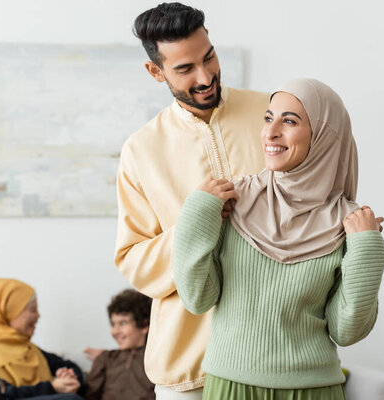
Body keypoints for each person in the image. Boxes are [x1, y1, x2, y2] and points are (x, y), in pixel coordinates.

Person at [172, 78, 384, 399]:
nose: (270, 133)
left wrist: (367, 249)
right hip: (231, 386)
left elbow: (346, 331)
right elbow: (198, 298)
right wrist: (196, 212)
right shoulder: (232, 199)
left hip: (313, 390)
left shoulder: (351, 223)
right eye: (268, 118)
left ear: (324, 136)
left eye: (289, 121)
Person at [115, 3, 268, 399]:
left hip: (275, 355)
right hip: (190, 371)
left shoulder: (271, 113)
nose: (205, 76)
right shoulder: (141, 150)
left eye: (209, 57)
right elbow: (134, 260)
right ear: (156, 71)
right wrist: (197, 223)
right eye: (185, 69)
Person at [0, 278, 84, 400]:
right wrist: (52, 387)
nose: (38, 315)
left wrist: (68, 378)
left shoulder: (27, 348)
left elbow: (68, 365)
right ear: (11, 312)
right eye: (33, 309)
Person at [83, 289, 155, 400]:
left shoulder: (157, 361)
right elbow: (89, 396)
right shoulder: (105, 359)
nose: (114, 332)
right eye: (113, 324)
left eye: (123, 323)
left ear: (145, 325)